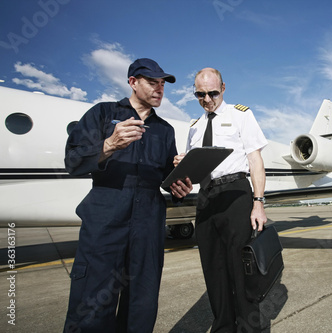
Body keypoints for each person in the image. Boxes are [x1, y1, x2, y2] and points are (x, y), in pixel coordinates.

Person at [63, 58, 193, 332]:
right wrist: (109, 144)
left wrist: (177, 186)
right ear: (133, 82)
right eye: (152, 82)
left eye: (162, 84)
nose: (159, 89)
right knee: (92, 301)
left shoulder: (164, 130)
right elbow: (73, 161)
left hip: (148, 225)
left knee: (142, 304)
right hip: (105, 220)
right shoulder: (102, 114)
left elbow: (164, 179)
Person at [174, 68, 268, 332]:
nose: (207, 99)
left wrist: (258, 202)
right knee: (213, 270)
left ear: (223, 88)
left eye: (213, 93)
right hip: (206, 197)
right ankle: (223, 326)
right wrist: (182, 165)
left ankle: (248, 327)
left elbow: (255, 159)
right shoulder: (195, 127)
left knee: (241, 269)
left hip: (235, 193)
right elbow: (194, 171)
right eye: (200, 94)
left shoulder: (241, 115)